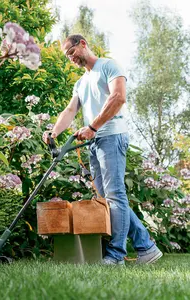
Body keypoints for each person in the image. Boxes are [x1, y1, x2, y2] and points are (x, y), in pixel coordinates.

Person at [42, 34, 163, 265]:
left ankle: (116, 255)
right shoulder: (81, 82)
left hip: (111, 136)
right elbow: (70, 110)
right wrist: (53, 133)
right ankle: (146, 247)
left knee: (115, 195)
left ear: (83, 44)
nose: (71, 59)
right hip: (94, 142)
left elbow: (118, 97)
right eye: (67, 56)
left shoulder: (109, 65)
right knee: (108, 198)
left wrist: (92, 126)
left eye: (71, 52)